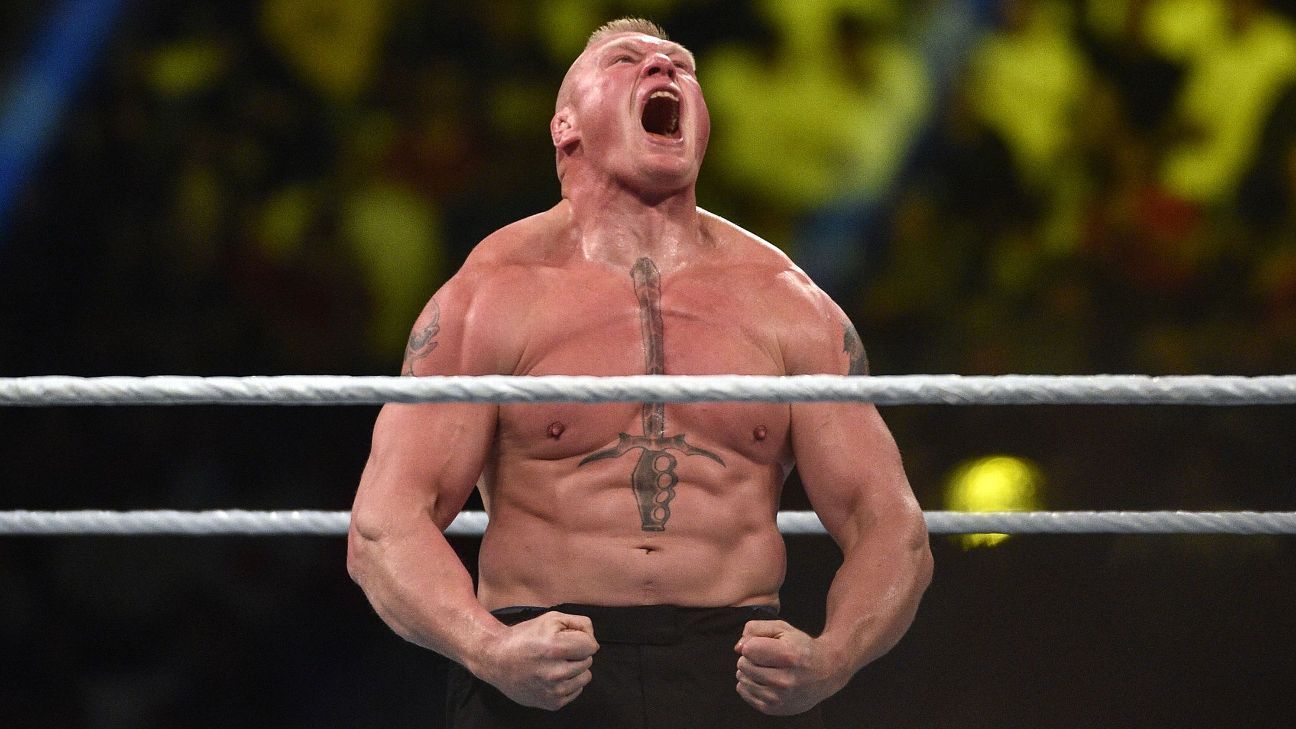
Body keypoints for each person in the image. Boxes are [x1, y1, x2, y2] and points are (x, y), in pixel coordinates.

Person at [347, 18, 932, 729]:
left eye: (681, 64)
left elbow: (888, 525)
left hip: (735, 669)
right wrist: (488, 648)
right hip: (540, 662)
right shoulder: (489, 296)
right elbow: (384, 527)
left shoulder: (788, 304)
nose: (664, 69)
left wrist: (834, 656)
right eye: (626, 60)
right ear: (565, 126)